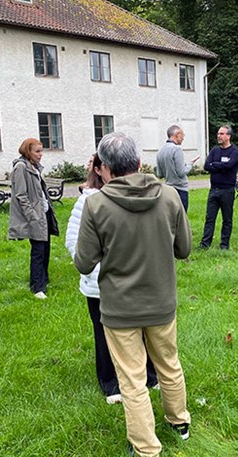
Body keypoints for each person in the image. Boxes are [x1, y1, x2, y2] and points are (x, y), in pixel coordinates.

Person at [74, 132, 192, 457]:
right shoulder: (169, 196)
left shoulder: (95, 203)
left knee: (132, 379)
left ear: (105, 169)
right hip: (161, 302)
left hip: (120, 307)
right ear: (139, 163)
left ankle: (146, 449)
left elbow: (84, 261)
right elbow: (184, 248)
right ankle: (179, 421)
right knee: (169, 364)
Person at [65, 153, 158, 404]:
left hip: (136, 280)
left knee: (143, 328)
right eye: (104, 166)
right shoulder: (88, 202)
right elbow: (74, 242)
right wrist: (97, 269)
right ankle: (110, 383)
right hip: (101, 284)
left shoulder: (138, 197)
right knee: (104, 332)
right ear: (98, 170)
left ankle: (150, 375)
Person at [8, 138, 59, 299]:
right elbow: (21, 195)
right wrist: (33, 216)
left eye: (41, 151)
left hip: (43, 213)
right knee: (38, 250)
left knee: (45, 249)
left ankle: (43, 280)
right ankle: (38, 288)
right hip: (35, 216)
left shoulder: (34, 167)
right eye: (37, 151)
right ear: (27, 151)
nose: (41, 154)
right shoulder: (21, 167)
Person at [199, 125, 238, 250]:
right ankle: (205, 244)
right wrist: (221, 165)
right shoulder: (214, 150)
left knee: (227, 219)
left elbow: (229, 166)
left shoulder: (235, 151)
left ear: (228, 136)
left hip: (227, 190)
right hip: (214, 190)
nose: (219, 136)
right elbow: (206, 166)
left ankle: (224, 245)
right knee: (209, 218)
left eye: (222, 134)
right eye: (218, 133)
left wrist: (216, 165)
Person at [156, 125, 199, 212]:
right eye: (183, 135)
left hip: (168, 190)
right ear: (178, 135)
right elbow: (181, 172)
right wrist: (191, 163)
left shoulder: (160, 151)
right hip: (180, 190)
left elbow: (159, 174)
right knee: (181, 220)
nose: (183, 138)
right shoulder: (177, 149)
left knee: (170, 219)